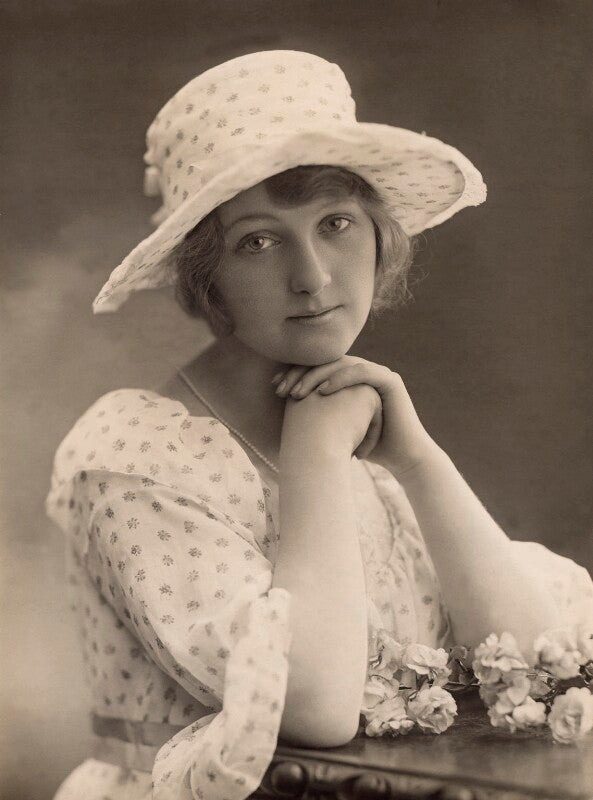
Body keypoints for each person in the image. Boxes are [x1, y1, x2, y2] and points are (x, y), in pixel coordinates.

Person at [45, 50, 593, 800]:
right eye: (258, 241)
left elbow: (541, 669)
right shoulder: (133, 458)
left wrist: (421, 462)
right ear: (207, 277)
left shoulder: (362, 437)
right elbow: (315, 711)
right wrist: (314, 457)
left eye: (335, 224)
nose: (312, 276)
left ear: (379, 236)